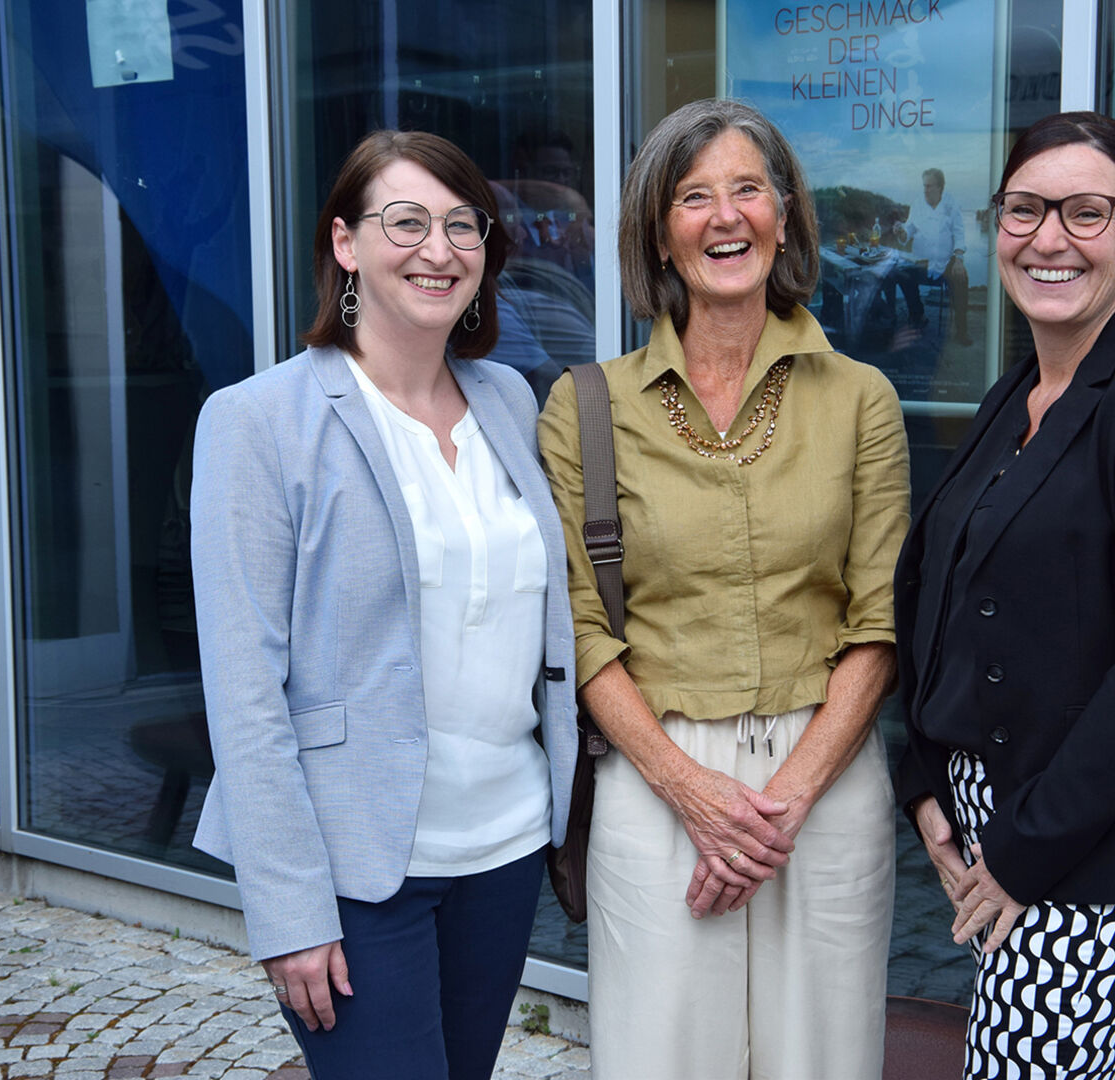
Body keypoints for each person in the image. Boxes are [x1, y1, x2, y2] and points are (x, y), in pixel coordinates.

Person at [189, 129, 578, 1080]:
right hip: (357, 865)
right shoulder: (257, 420)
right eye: (405, 222)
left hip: (504, 846)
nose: (437, 249)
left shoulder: (509, 401)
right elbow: (244, 691)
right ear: (345, 242)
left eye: (461, 225)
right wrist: (289, 912)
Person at [539, 99, 910, 1080]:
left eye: (748, 189)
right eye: (693, 197)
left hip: (823, 777)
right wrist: (690, 791)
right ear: (659, 234)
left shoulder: (860, 399)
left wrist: (782, 803)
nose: (725, 216)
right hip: (654, 776)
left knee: (822, 1062)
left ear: (783, 218)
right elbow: (579, 627)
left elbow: (878, 621)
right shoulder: (587, 407)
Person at [893, 111, 1115, 1077]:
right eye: (1023, 210)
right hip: (994, 818)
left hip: (1098, 835)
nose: (1047, 239)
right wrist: (924, 782)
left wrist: (1022, 848)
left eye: (1085, 213)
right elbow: (940, 600)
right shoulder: (1013, 395)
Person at [906, 168, 973, 344]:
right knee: (901, 275)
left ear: (940, 187)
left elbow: (959, 234)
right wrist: (901, 232)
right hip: (920, 262)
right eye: (924, 186)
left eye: (929, 186)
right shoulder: (917, 204)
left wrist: (958, 260)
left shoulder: (951, 205)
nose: (925, 190)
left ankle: (961, 330)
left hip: (946, 263)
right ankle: (918, 316)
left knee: (961, 279)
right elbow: (908, 230)